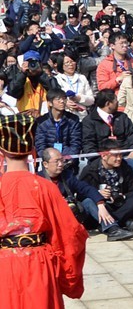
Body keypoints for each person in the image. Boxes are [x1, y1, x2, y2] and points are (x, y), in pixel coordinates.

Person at [0, 114, 88, 308]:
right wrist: (69, 280)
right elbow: (69, 234)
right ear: (32, 151)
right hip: (38, 265)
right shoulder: (44, 186)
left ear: (2, 151)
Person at [39, 146, 133, 241]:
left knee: (88, 201)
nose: (60, 164)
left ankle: (113, 229)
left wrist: (100, 203)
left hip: (72, 213)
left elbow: (85, 188)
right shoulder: (38, 180)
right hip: (52, 216)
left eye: (62, 160)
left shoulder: (67, 175)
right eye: (57, 161)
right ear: (45, 164)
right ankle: (120, 222)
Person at [78, 139, 133, 239]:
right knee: (88, 201)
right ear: (104, 156)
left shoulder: (125, 167)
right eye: (115, 156)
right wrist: (97, 194)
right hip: (101, 207)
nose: (119, 159)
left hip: (119, 205)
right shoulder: (90, 170)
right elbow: (80, 195)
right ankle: (115, 227)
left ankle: (114, 222)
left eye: (120, 155)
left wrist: (122, 195)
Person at [82, 89, 133, 185]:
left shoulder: (122, 117)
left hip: (123, 157)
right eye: (116, 101)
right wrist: (103, 160)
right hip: (102, 159)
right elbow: (88, 144)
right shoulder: (89, 121)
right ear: (108, 104)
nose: (118, 103)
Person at [34, 88, 83, 167]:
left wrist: (66, 159)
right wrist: (50, 160)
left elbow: (76, 143)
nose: (62, 102)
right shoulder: (42, 121)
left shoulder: (73, 119)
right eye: (58, 99)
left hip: (68, 161)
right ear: (50, 103)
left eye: (64, 99)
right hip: (49, 162)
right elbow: (40, 145)